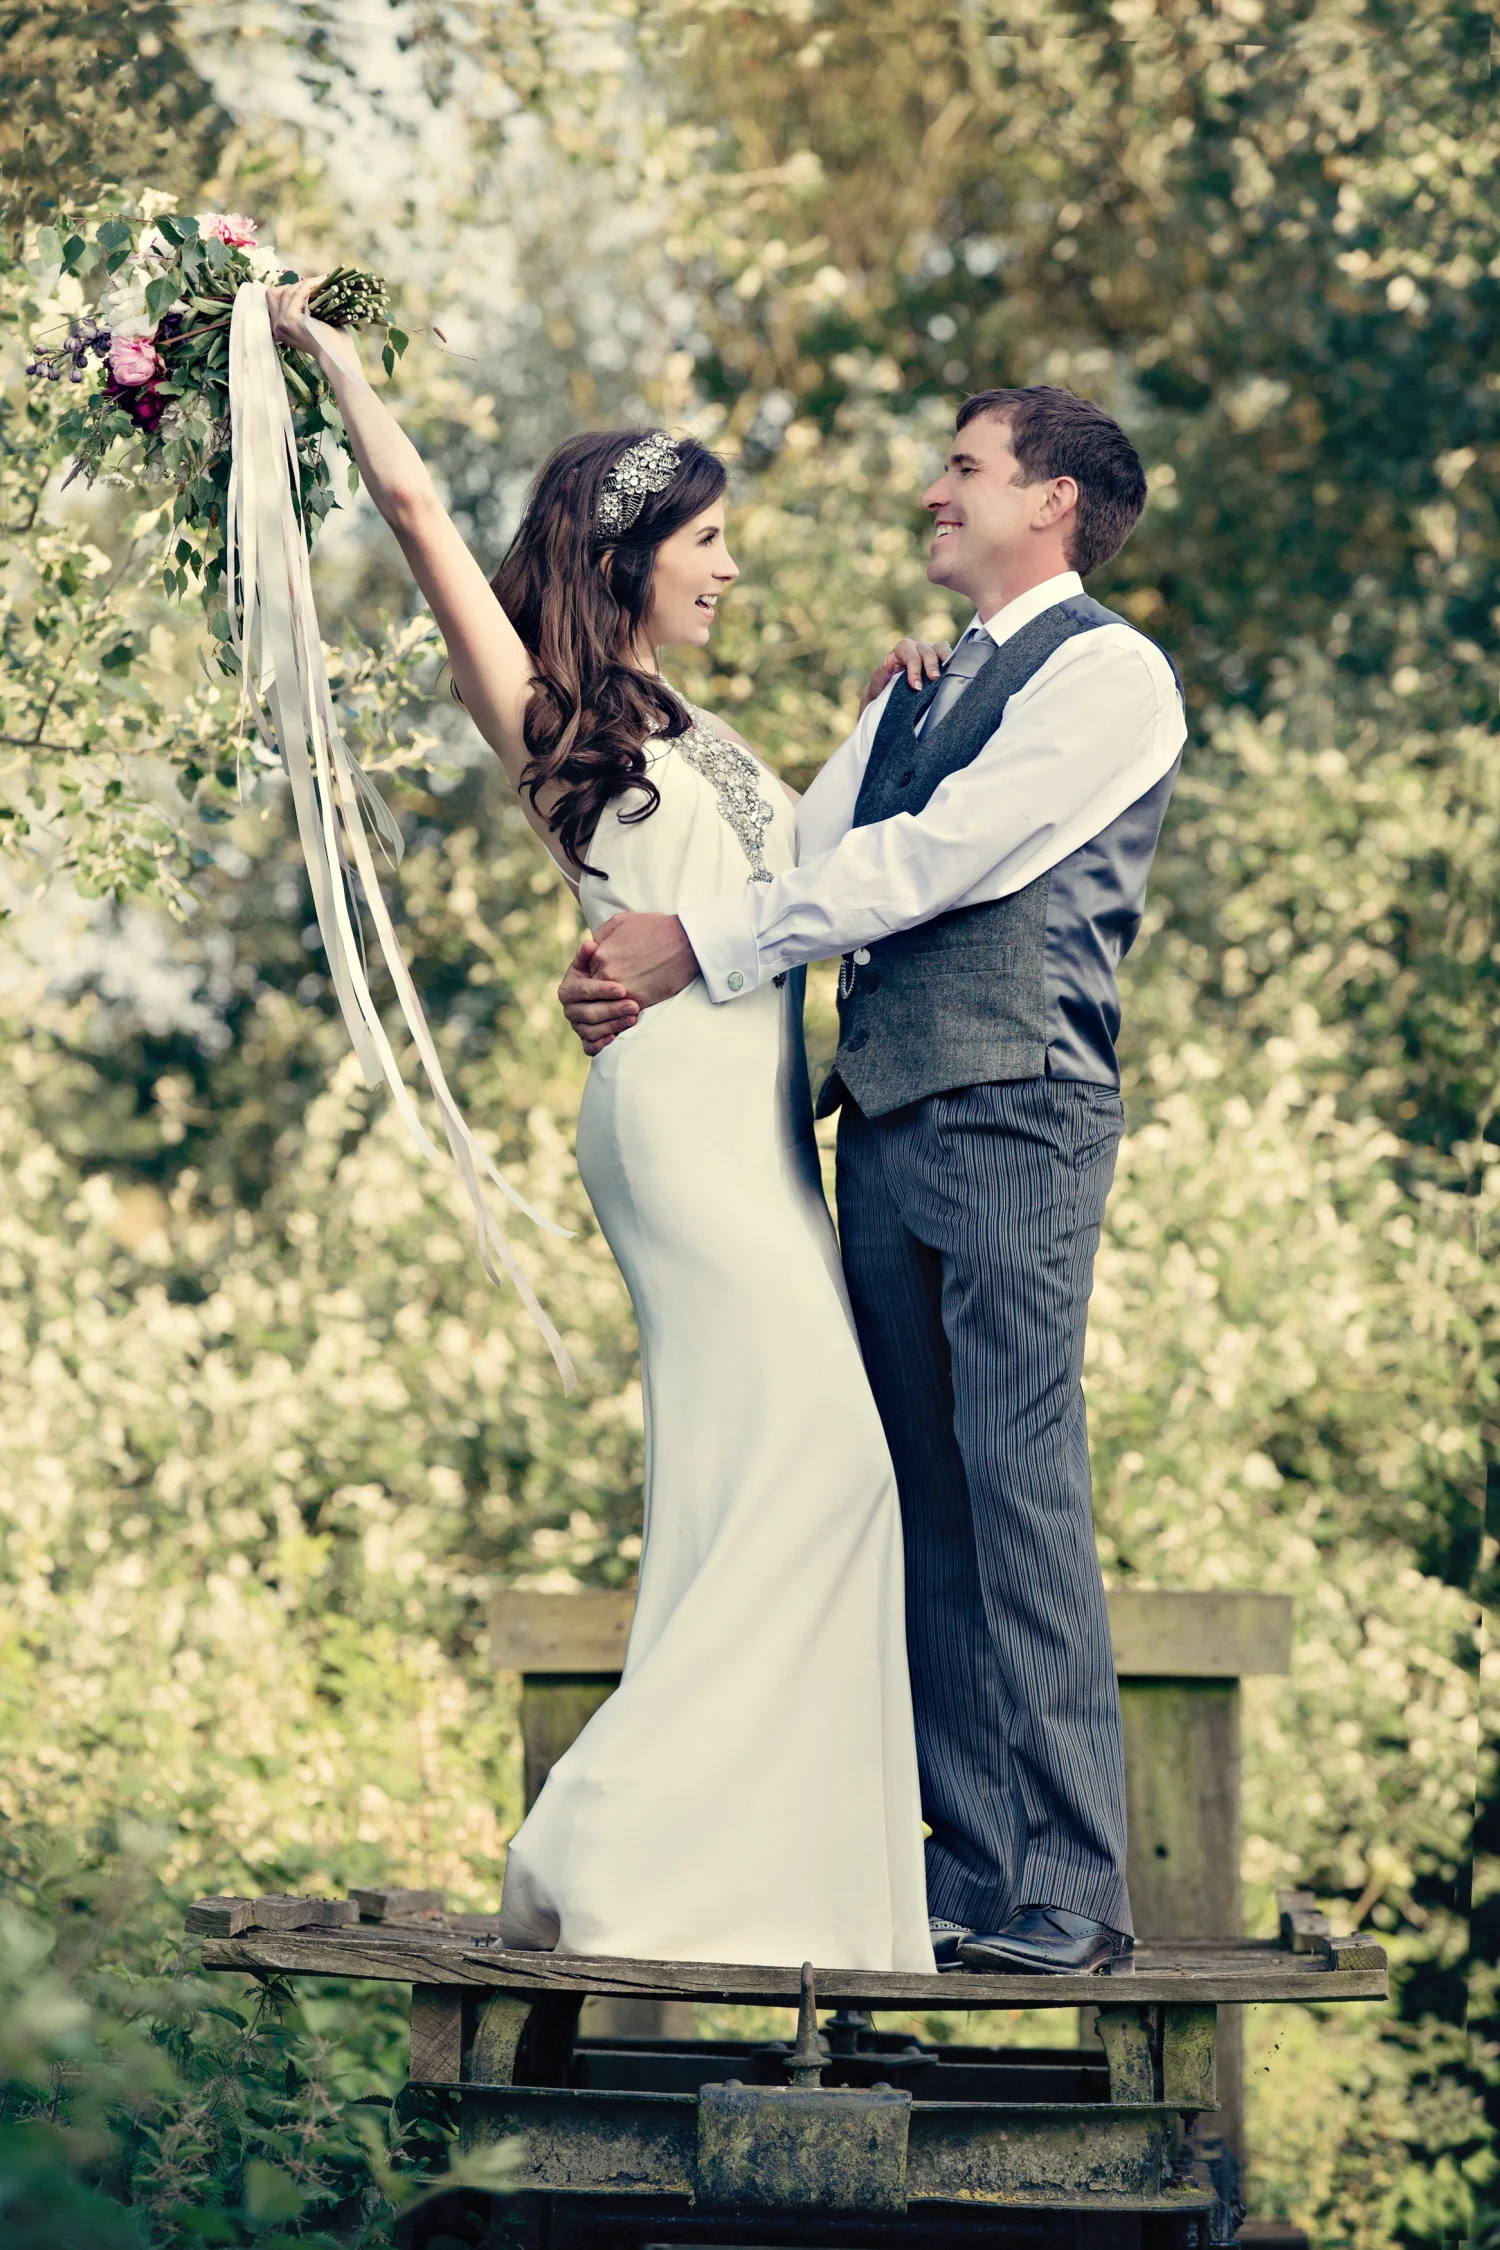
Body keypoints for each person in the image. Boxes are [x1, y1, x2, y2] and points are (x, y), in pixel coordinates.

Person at [264, 277, 934, 1971]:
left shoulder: (708, 731)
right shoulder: (549, 712)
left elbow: (796, 877)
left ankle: (764, 1894)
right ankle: (605, 1843)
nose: (730, 568)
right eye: (707, 540)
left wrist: (889, 711)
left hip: (764, 1132)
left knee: (773, 1482)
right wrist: (325, 351)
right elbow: (417, 511)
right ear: (624, 556)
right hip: (679, 1129)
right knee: (826, 1471)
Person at [559, 387, 1187, 1974]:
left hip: (1018, 1107)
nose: (932, 492)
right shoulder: (923, 687)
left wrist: (693, 946)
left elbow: (940, 858)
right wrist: (650, 945)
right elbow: (802, 860)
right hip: (888, 1119)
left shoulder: (1109, 673)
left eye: (964, 468)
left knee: (1019, 1476)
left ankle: (1074, 1888)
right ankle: (970, 1872)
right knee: (925, 1491)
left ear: (1051, 501)